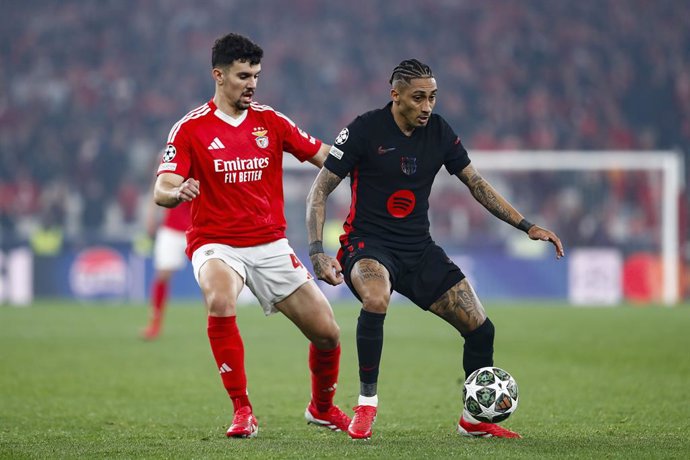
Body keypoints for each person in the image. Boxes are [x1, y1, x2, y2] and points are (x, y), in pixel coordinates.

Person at [306, 59, 564, 440]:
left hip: (418, 250)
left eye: (432, 97)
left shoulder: (440, 132)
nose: (427, 106)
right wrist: (317, 251)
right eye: (418, 98)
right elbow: (319, 189)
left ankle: (474, 422)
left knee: (481, 329)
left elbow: (476, 184)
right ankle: (366, 406)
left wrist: (526, 225)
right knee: (376, 299)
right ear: (395, 96)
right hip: (368, 245)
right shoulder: (364, 130)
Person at [153, 32, 350, 438]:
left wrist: (364, 158)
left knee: (328, 333)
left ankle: (322, 408)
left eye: (256, 75)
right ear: (219, 75)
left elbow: (324, 156)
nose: (252, 84)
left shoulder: (270, 121)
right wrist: (177, 192)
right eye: (243, 75)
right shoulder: (190, 129)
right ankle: (243, 409)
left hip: (271, 244)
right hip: (216, 242)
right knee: (221, 299)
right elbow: (162, 188)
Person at [140, 187, 192, 340]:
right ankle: (155, 324)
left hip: (198, 225)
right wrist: (151, 215)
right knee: (163, 275)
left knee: (209, 279)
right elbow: (158, 187)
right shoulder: (172, 162)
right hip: (171, 228)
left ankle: (213, 325)